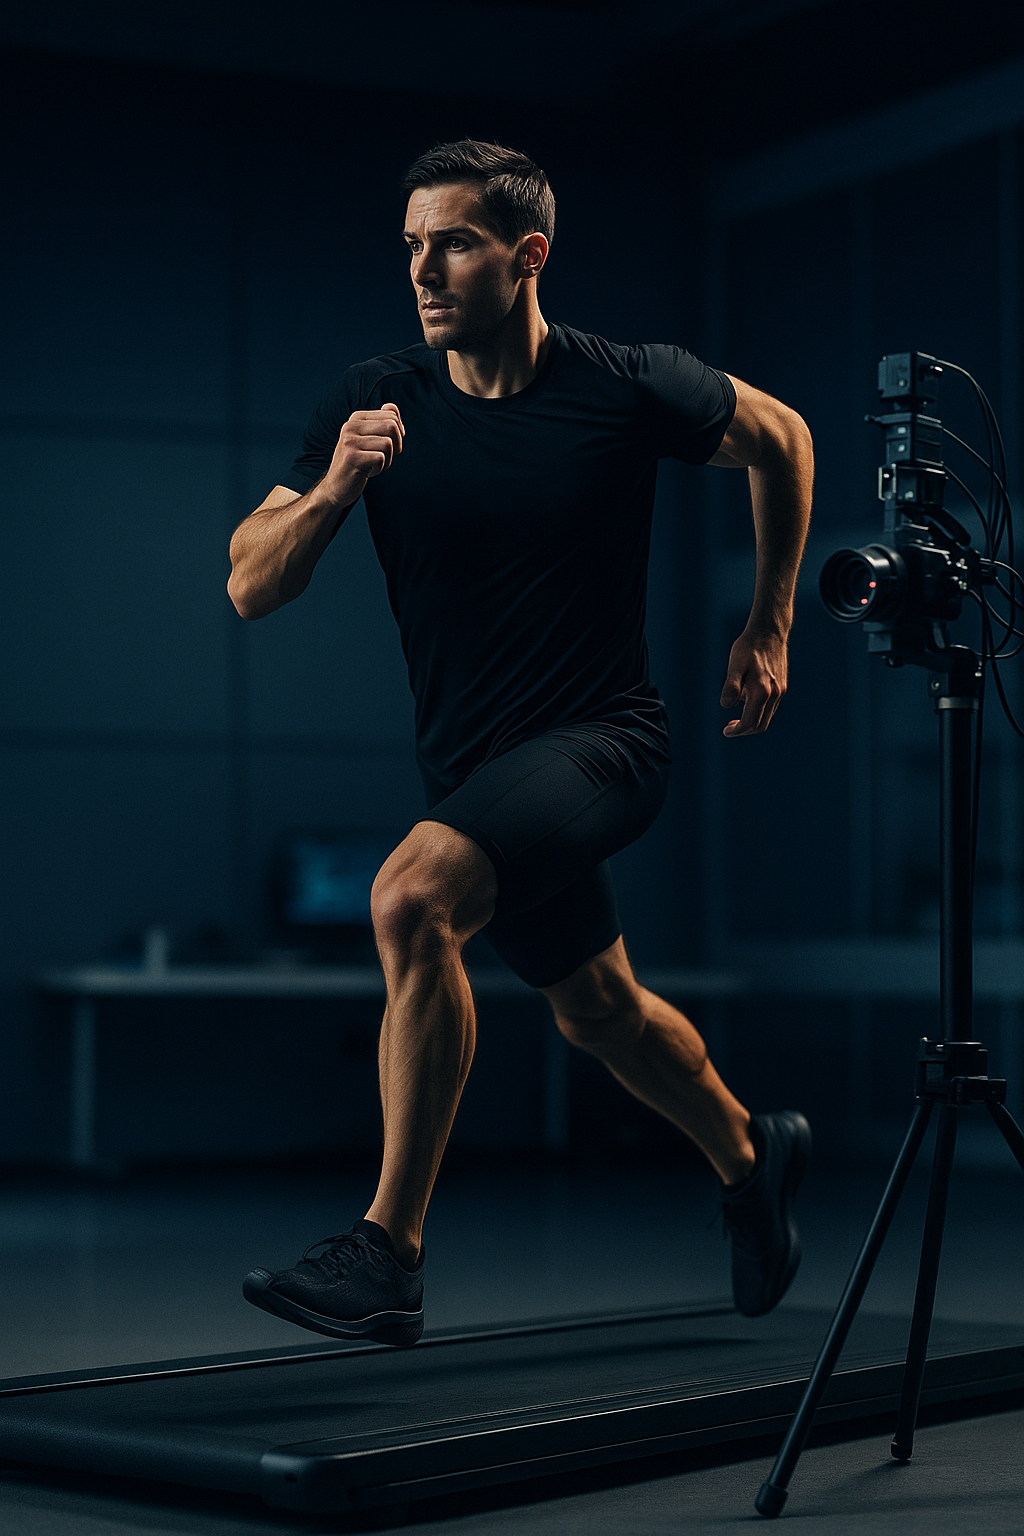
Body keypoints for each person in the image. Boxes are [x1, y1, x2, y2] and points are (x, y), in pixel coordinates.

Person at [229, 140, 814, 1348]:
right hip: (478, 772)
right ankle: (751, 1157)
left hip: (607, 742)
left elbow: (785, 439)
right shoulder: (374, 402)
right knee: (597, 1009)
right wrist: (338, 488)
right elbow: (248, 585)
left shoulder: (623, 385)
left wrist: (768, 623)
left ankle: (387, 1251)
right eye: (410, 246)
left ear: (526, 254)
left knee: (409, 897)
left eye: (451, 242)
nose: (423, 271)